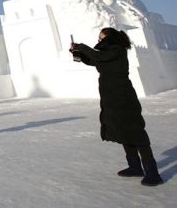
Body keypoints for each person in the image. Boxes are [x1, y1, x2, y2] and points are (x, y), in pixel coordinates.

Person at [70, 27, 163, 186]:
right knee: (123, 131)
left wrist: (82, 46)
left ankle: (153, 173)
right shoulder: (107, 52)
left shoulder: (117, 49)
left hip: (123, 96)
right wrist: (77, 54)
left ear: (110, 37)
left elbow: (99, 56)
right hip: (111, 97)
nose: (99, 41)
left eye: (101, 38)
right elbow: (94, 60)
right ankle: (135, 167)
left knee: (135, 132)